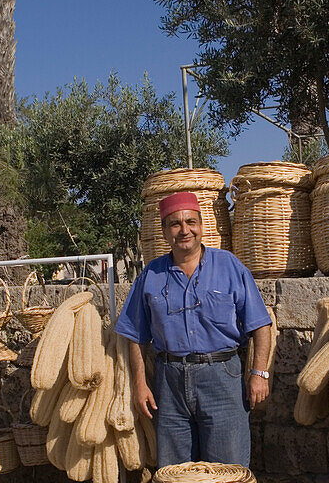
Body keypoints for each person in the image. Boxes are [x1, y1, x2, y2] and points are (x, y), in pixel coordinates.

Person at [115, 191, 272, 467]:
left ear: (202, 227)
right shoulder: (150, 276)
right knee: (176, 474)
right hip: (170, 382)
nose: (184, 230)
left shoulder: (229, 266)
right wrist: (140, 384)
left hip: (222, 378)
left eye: (191, 222)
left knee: (228, 471)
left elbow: (260, 326)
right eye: (175, 224)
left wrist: (259, 374)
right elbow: (136, 337)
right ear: (164, 232)